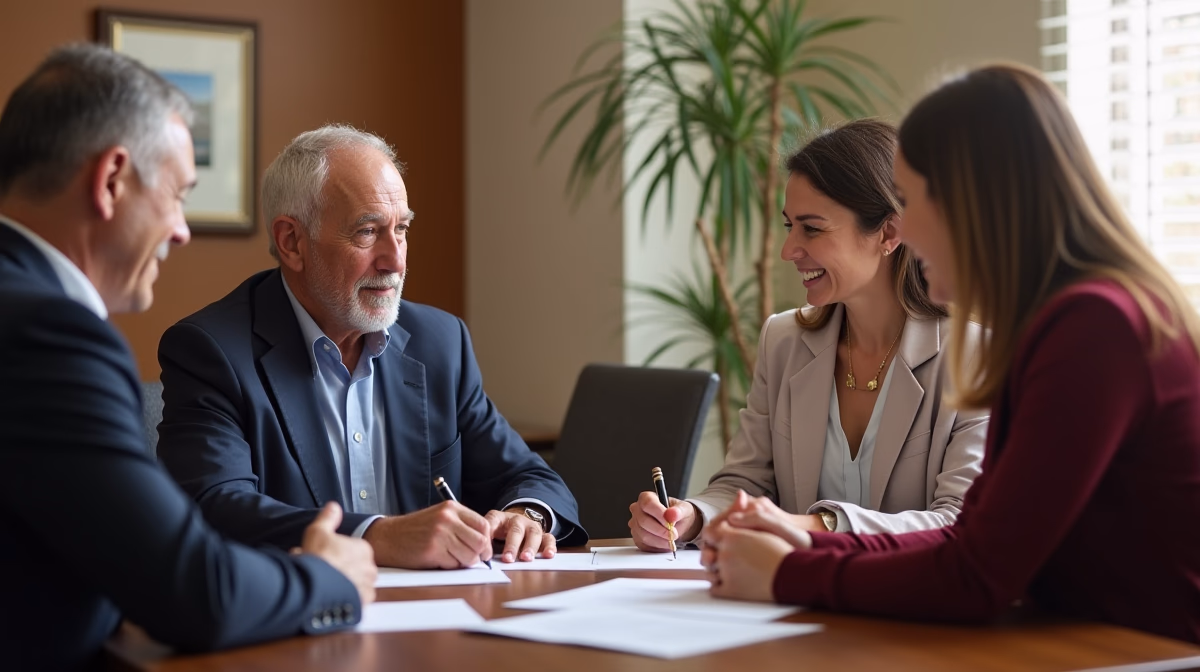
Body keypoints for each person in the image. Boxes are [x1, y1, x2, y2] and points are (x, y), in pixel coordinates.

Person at [702, 64, 1200, 645]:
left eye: (913, 200)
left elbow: (975, 577)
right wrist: (809, 543)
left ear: (976, 203)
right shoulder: (1063, 323)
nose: (904, 231)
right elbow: (972, 541)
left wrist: (789, 573)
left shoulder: (1096, 329)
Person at [0, 45, 376, 670]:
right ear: (111, 180)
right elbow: (193, 591)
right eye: (177, 195)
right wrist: (327, 576)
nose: (181, 230)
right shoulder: (49, 336)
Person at [157, 125, 586, 570]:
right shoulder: (212, 351)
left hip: (439, 607)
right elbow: (214, 506)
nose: (395, 260)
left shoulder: (440, 342)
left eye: (401, 229)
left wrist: (527, 515)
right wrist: (375, 536)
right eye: (367, 232)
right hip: (305, 606)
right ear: (291, 242)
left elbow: (530, 476)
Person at [628, 119, 988, 551]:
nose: (788, 250)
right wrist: (691, 518)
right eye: (789, 227)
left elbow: (959, 522)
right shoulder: (783, 341)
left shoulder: (975, 356)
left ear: (889, 233)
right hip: (793, 590)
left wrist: (818, 525)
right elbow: (745, 483)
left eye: (812, 228)